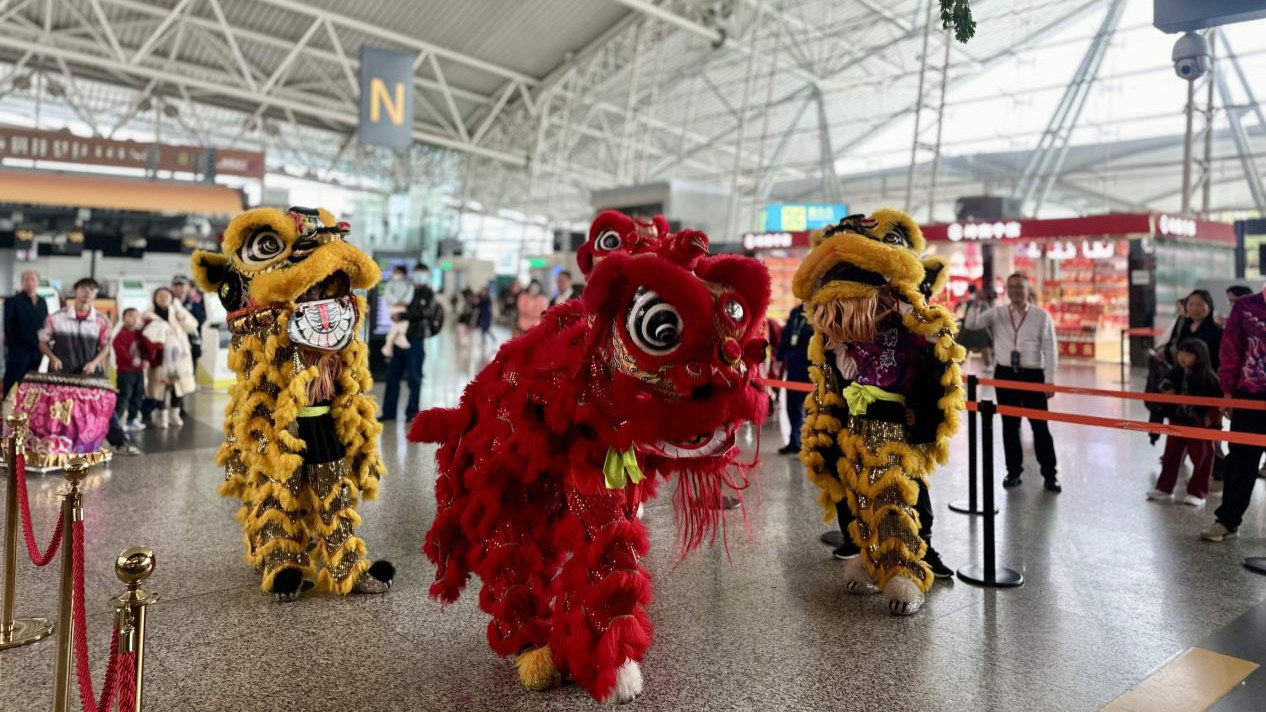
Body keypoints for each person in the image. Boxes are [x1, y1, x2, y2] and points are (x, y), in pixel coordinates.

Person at [796, 211, 964, 615]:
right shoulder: (843, 337)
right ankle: (869, 563)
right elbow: (831, 376)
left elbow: (939, 356)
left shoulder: (911, 326)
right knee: (860, 499)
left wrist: (911, 310)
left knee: (897, 497)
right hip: (854, 428)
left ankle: (908, 570)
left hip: (895, 428)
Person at [966, 272, 1061, 492]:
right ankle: (1013, 471)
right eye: (1012, 287)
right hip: (1005, 373)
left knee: (1040, 427)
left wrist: (1049, 379)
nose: (1016, 291)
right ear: (1007, 291)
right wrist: (975, 303)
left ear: (1028, 290)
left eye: (1020, 287)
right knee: (1010, 425)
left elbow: (1050, 348)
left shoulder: (1041, 316)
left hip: (1032, 374)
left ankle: (1050, 474)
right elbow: (972, 326)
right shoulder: (997, 313)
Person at [38, 278, 141, 456]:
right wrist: (52, 357)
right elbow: (43, 341)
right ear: (75, 290)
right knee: (59, 409)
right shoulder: (56, 318)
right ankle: (56, 446)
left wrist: (94, 363)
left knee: (104, 407)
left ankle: (121, 443)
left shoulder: (101, 321)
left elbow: (105, 346)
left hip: (90, 371)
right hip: (62, 372)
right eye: (84, 288)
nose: (87, 293)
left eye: (92, 290)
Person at [1203, 287, 1266, 542]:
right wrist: (1227, 391)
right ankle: (1227, 521)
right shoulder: (1245, 306)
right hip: (1250, 395)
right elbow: (1230, 349)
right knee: (1241, 461)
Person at [1146, 339, 1221, 506]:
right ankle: (1164, 488)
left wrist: (1210, 419)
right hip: (1178, 420)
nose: (1182, 358)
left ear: (1199, 357)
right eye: (1180, 353)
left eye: (1188, 354)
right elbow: (1163, 386)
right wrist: (1167, 392)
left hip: (1200, 424)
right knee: (1170, 456)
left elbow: (1216, 403)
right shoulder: (1175, 373)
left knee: (1202, 458)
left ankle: (1198, 492)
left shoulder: (1208, 378)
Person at [381, 263, 437, 422]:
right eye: (418, 273)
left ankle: (412, 413)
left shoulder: (428, 293)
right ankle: (388, 412)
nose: (420, 276)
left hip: (416, 340)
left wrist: (405, 316)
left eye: (423, 273)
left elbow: (428, 312)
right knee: (392, 377)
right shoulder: (406, 288)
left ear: (427, 275)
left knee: (414, 378)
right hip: (398, 339)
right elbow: (393, 304)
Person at [142, 287, 198, 428]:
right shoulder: (148, 314)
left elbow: (192, 326)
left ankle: (175, 415)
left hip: (179, 357)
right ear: (154, 298)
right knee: (160, 388)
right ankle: (163, 417)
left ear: (171, 298)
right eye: (159, 296)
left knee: (178, 387)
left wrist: (183, 317)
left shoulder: (178, 311)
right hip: (159, 358)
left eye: (166, 296)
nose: (163, 298)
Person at [776, 303, 813, 457]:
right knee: (792, 406)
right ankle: (794, 442)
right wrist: (779, 357)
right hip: (793, 365)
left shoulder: (816, 310)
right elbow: (785, 335)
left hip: (809, 367)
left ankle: (810, 445)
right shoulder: (795, 312)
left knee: (810, 408)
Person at [4, 270, 48, 396]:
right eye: (26, 280)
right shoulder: (13, 301)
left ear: (38, 282)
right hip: (18, 350)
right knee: (12, 379)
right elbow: (7, 327)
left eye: (32, 279)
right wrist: (13, 346)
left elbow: (45, 324)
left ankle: (25, 410)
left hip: (37, 349)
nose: (29, 283)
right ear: (21, 283)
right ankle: (5, 408)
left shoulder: (42, 302)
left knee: (31, 381)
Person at [112, 308, 151, 431]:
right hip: (125, 372)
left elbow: (146, 348)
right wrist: (131, 359)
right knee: (124, 396)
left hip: (138, 372)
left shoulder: (140, 334)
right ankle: (116, 421)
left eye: (136, 316)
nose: (134, 319)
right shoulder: (121, 334)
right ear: (123, 319)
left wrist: (146, 360)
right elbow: (120, 349)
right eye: (130, 316)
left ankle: (132, 419)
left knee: (138, 395)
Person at [1178, 290, 1222, 369]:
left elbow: (1217, 358)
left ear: (1209, 307)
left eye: (1199, 305)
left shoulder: (1217, 331)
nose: (1194, 308)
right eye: (1191, 304)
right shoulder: (1184, 325)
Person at [380, 265, 414, 359]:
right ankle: (399, 341)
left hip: (403, 308)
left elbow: (409, 295)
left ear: (404, 273)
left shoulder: (408, 284)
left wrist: (404, 302)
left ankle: (388, 346)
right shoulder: (390, 283)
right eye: (396, 272)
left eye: (399, 272)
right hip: (394, 308)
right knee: (400, 327)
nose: (397, 274)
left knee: (399, 327)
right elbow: (387, 294)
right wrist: (397, 302)